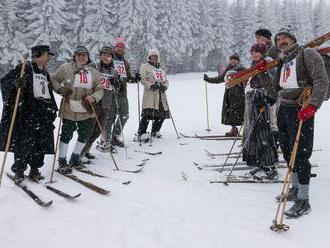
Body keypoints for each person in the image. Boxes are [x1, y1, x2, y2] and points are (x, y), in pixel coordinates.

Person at [270, 27, 329, 218]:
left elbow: (321, 80)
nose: (281, 41)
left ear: (293, 39)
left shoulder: (307, 53)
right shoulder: (284, 59)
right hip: (284, 108)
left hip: (301, 108)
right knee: (288, 151)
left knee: (301, 154)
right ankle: (295, 188)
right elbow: (279, 85)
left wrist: (312, 105)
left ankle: (304, 199)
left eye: (284, 37)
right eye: (278, 39)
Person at [0, 45, 58, 182]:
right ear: (39, 55)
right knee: (24, 143)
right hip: (27, 113)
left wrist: (51, 109)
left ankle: (34, 169)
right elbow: (4, 82)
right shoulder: (24, 68)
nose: (49, 58)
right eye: (46, 55)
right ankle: (19, 171)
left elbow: (48, 91)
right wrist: (16, 83)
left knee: (40, 143)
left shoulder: (44, 72)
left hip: (43, 113)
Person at [51, 45, 103, 174]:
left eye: (84, 55)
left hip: (86, 107)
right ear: (74, 56)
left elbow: (99, 89)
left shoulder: (93, 72)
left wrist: (94, 97)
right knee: (67, 133)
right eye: (78, 55)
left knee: (84, 133)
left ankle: (75, 158)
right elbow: (53, 80)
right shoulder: (66, 68)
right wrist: (60, 89)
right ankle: (62, 160)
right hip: (69, 106)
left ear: (88, 57)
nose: (81, 57)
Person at [242, 43, 278, 180]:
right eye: (252, 52)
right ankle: (260, 163)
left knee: (263, 133)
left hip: (261, 100)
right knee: (253, 133)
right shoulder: (254, 65)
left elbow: (272, 83)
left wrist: (266, 97)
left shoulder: (266, 64)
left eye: (257, 52)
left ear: (263, 53)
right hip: (252, 100)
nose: (254, 54)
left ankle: (269, 165)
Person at [81, 46, 120, 160]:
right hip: (94, 103)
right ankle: (80, 152)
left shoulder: (114, 71)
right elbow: (86, 80)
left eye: (108, 56)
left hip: (106, 104)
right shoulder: (94, 67)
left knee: (97, 131)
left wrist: (116, 83)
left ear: (111, 57)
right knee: (89, 129)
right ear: (100, 55)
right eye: (104, 55)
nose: (106, 57)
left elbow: (115, 90)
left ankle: (86, 150)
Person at [204, 54, 245, 136]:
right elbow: (220, 79)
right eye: (231, 59)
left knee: (237, 113)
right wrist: (208, 79)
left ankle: (240, 130)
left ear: (238, 61)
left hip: (239, 94)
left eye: (235, 59)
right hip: (229, 94)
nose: (233, 61)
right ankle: (234, 130)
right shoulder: (228, 69)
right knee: (230, 112)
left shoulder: (242, 69)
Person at [111, 38, 140, 147]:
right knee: (110, 117)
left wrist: (135, 78)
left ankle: (116, 135)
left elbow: (127, 77)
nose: (120, 49)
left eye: (122, 47)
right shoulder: (110, 59)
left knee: (124, 115)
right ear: (115, 48)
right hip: (111, 92)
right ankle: (105, 139)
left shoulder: (125, 62)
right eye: (118, 47)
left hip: (123, 93)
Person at [255, 28, 280, 149]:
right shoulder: (261, 50)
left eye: (260, 38)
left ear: (268, 38)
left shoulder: (274, 49)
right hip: (265, 89)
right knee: (268, 118)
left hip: (275, 89)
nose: (258, 40)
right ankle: (269, 145)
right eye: (257, 38)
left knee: (274, 118)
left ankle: (275, 145)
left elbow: (278, 68)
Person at [137, 49, 170, 142]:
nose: (154, 58)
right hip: (150, 94)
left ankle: (155, 131)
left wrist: (165, 86)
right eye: (152, 56)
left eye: (156, 56)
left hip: (161, 94)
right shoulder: (145, 67)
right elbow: (142, 79)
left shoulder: (160, 69)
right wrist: (151, 85)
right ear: (149, 57)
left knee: (162, 114)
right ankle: (142, 133)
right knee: (148, 114)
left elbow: (166, 81)